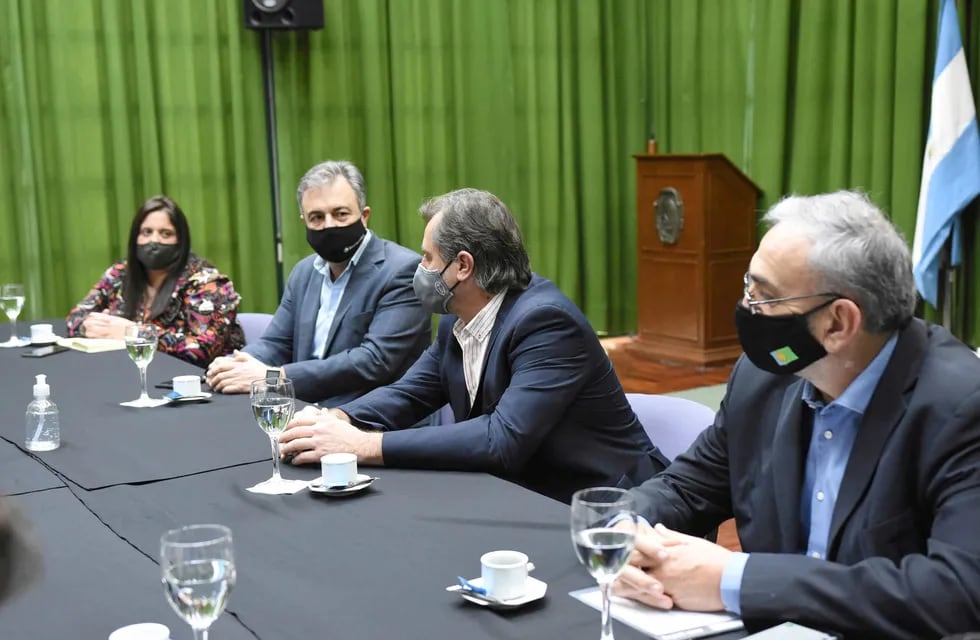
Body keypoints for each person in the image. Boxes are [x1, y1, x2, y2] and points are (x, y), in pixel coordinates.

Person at [613, 191, 980, 638]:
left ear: (838, 323)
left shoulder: (961, 406)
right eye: (748, 286)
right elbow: (687, 486)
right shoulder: (764, 378)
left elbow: (957, 590)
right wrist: (630, 532)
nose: (746, 309)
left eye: (764, 297)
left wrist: (735, 579)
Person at [278, 188, 668, 503]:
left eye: (428, 258)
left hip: (605, 507)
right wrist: (341, 419)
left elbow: (502, 439)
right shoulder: (457, 313)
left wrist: (365, 444)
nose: (420, 268)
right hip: (520, 493)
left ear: (462, 266)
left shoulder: (547, 322)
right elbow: (411, 393)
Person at [206, 160, 431, 405]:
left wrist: (274, 377)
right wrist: (236, 364)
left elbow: (374, 361)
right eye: (317, 217)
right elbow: (276, 343)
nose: (329, 225)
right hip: (304, 408)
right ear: (304, 221)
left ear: (364, 216)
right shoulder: (304, 271)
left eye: (340, 214)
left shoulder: (402, 270)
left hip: (377, 418)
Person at [66, 195, 244, 367]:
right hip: (128, 372)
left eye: (165, 234)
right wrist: (90, 327)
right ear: (135, 238)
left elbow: (202, 349)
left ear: (181, 240)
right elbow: (76, 316)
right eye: (146, 232)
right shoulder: (120, 273)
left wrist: (135, 334)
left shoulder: (206, 282)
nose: (154, 241)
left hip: (198, 384)